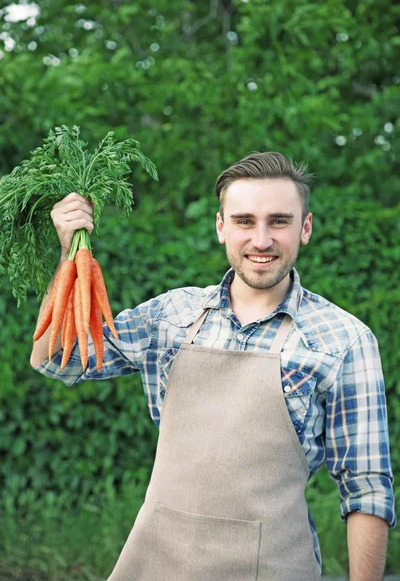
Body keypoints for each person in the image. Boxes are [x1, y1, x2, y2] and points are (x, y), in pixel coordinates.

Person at [31, 152, 396, 581]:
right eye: (244, 221)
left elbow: (366, 490)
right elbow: (56, 358)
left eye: (279, 221)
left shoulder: (344, 340)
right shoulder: (170, 317)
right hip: (155, 565)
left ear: (306, 227)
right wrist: (68, 255)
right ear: (221, 227)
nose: (261, 240)